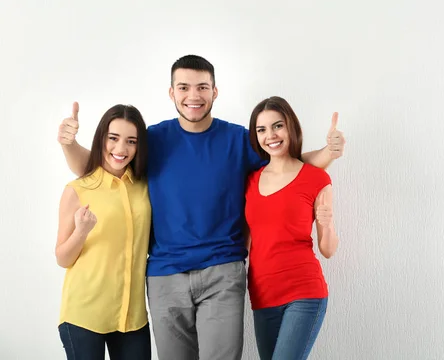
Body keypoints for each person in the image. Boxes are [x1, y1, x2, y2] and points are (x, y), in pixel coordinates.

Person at [56, 55, 345, 360]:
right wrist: (68, 144)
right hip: (165, 275)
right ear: (172, 93)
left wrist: (329, 152)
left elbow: (291, 165)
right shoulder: (152, 139)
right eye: (183, 87)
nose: (193, 96)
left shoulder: (238, 139)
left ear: (214, 92)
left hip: (222, 270)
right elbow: (97, 170)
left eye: (202, 87)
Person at [245, 96, 339, 360]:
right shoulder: (250, 180)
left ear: (291, 128)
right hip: (262, 295)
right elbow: (247, 241)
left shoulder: (317, 178)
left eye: (278, 126)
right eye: (261, 130)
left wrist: (327, 221)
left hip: (304, 293)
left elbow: (328, 249)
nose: (270, 135)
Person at [55, 104, 151, 360]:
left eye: (131, 141)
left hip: (132, 317)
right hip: (84, 315)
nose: (121, 149)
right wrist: (81, 232)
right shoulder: (78, 189)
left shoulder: (143, 187)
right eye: (113, 138)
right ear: (101, 139)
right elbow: (62, 258)